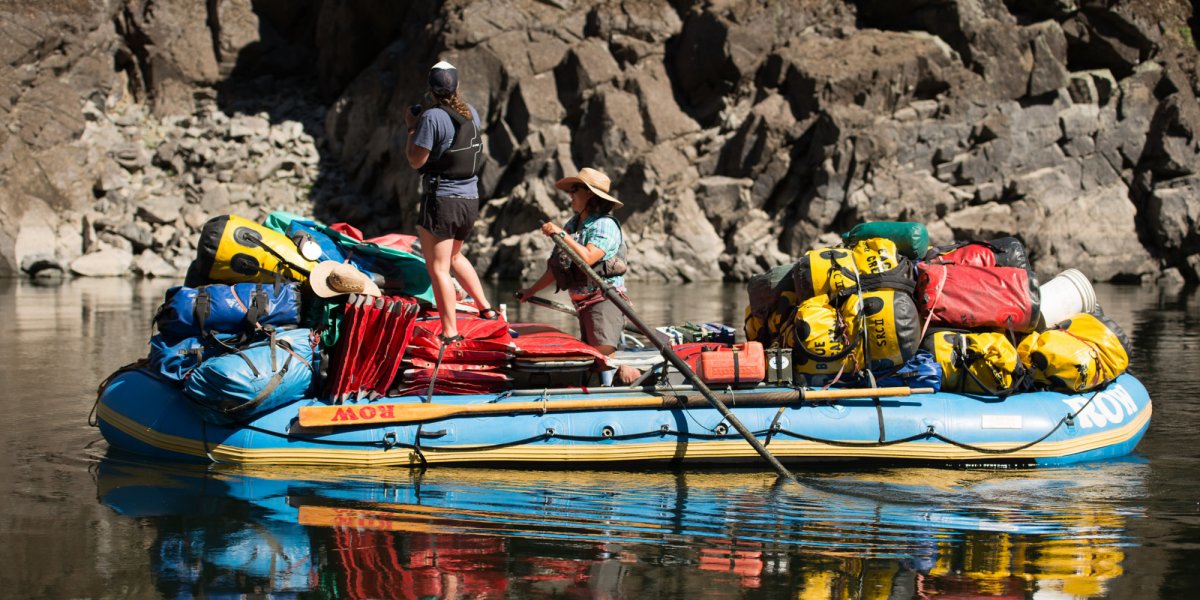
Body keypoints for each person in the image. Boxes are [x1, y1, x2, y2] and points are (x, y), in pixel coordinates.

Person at [515, 167, 640, 385]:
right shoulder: (572, 225)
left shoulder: (605, 225)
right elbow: (556, 269)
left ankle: (618, 386)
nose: (570, 194)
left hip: (604, 301)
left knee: (602, 357)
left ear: (589, 194)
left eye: (575, 189)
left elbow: (589, 257)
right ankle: (605, 386)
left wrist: (560, 234)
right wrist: (530, 292)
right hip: (583, 305)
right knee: (593, 356)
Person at [404, 60, 498, 345]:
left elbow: (415, 160)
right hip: (470, 199)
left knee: (439, 268)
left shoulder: (431, 118)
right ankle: (486, 308)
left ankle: (449, 332)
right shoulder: (472, 113)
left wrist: (411, 128)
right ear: (456, 86)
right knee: (455, 257)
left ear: (430, 89)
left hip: (442, 199)